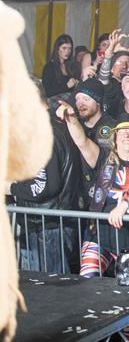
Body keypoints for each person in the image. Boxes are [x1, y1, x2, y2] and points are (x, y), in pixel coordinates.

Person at [59, 116, 129, 278]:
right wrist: (71, 118)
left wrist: (124, 205)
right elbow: (82, 141)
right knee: (88, 281)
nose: (126, 135)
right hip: (100, 236)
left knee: (127, 289)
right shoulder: (104, 158)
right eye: (121, 131)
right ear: (115, 137)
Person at [10, 92, 82, 273]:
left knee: (49, 290)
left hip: (48, 225)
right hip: (45, 222)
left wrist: (11, 187)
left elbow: (45, 186)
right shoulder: (54, 126)